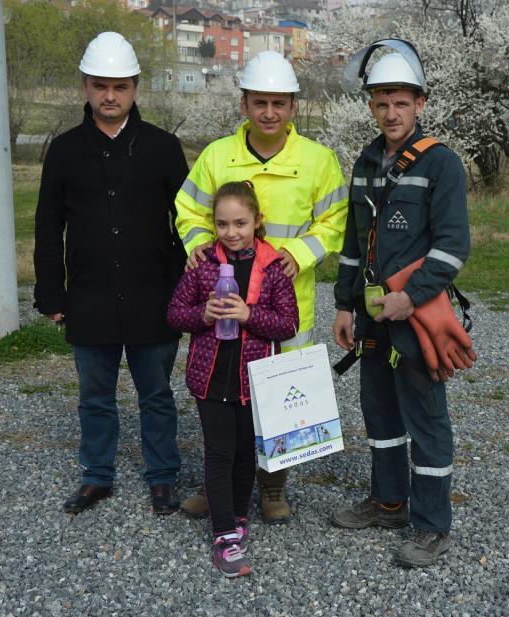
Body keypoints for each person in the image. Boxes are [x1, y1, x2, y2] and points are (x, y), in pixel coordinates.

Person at [174, 50, 348, 523]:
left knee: (279, 399)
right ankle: (218, 489)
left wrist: (300, 253)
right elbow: (188, 208)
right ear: (244, 104)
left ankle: (273, 488)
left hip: (285, 307)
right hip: (226, 306)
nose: (268, 112)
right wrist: (196, 243)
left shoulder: (318, 160)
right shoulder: (217, 157)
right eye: (259, 102)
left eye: (278, 103)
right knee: (221, 395)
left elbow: (335, 220)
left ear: (293, 106)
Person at [33, 32, 189, 515]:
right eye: (100, 86)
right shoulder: (62, 150)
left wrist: (183, 287)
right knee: (95, 397)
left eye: (120, 87)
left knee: (158, 395)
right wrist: (51, 292)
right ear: (86, 87)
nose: (110, 96)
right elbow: (47, 224)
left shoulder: (164, 147)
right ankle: (97, 476)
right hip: (90, 295)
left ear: (135, 88)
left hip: (153, 295)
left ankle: (162, 476)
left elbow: (186, 222)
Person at [330, 41, 471, 567]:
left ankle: (433, 526)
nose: (391, 112)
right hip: (369, 316)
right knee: (380, 412)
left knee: (426, 418)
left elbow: (453, 247)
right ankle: (388, 502)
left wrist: (409, 298)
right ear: (370, 104)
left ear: (421, 103)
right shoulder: (366, 162)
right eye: (381, 102)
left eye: (401, 102)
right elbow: (352, 242)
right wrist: (345, 305)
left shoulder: (442, 165)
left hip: (413, 319)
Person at [167, 181, 299, 577]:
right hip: (210, 379)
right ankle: (225, 536)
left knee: (245, 452)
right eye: (222, 224)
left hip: (253, 381)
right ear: (213, 225)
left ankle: (238, 516)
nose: (231, 232)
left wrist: (249, 315)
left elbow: (288, 323)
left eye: (240, 222)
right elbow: (174, 314)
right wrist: (203, 315)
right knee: (220, 452)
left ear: (257, 221)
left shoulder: (273, 268)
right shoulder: (202, 264)